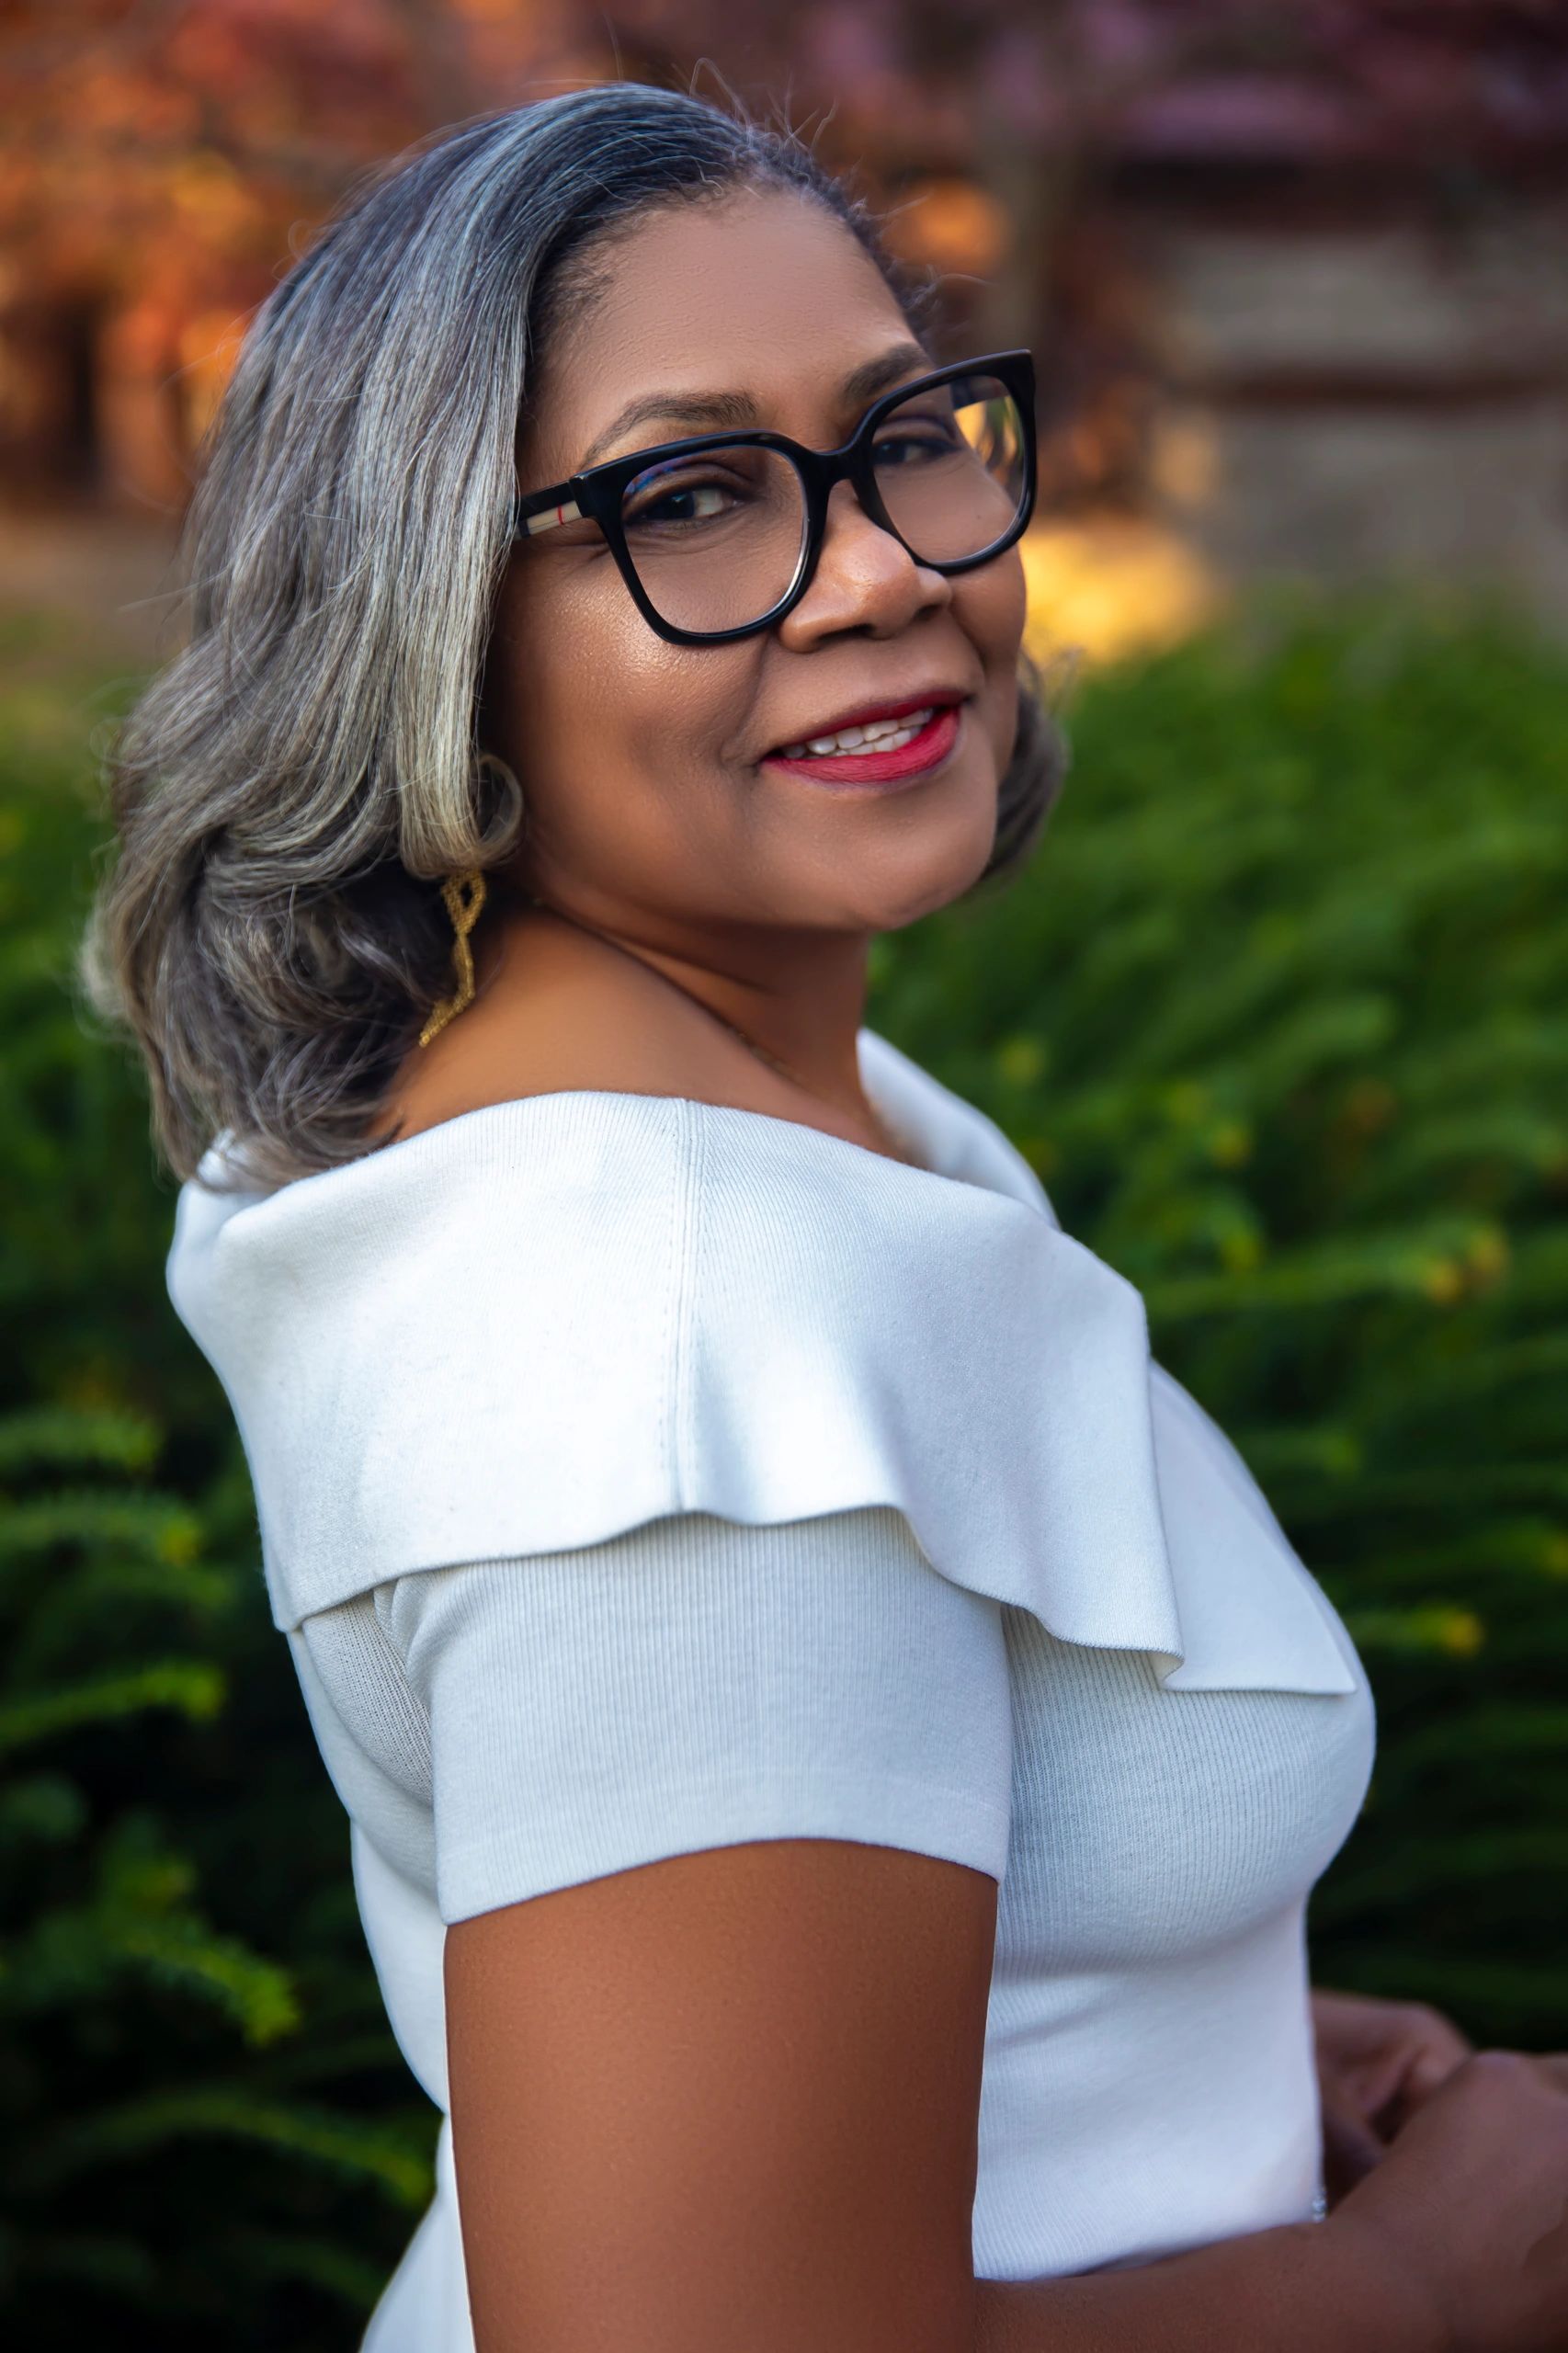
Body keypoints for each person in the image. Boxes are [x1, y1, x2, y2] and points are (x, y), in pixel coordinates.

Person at [81, 79, 1568, 2353]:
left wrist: (1168, 2022)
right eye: (687, 495)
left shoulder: (748, 1117)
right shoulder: (676, 1349)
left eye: (904, 437)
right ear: (425, 626)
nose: (880, 562)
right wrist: (1417, 2279)